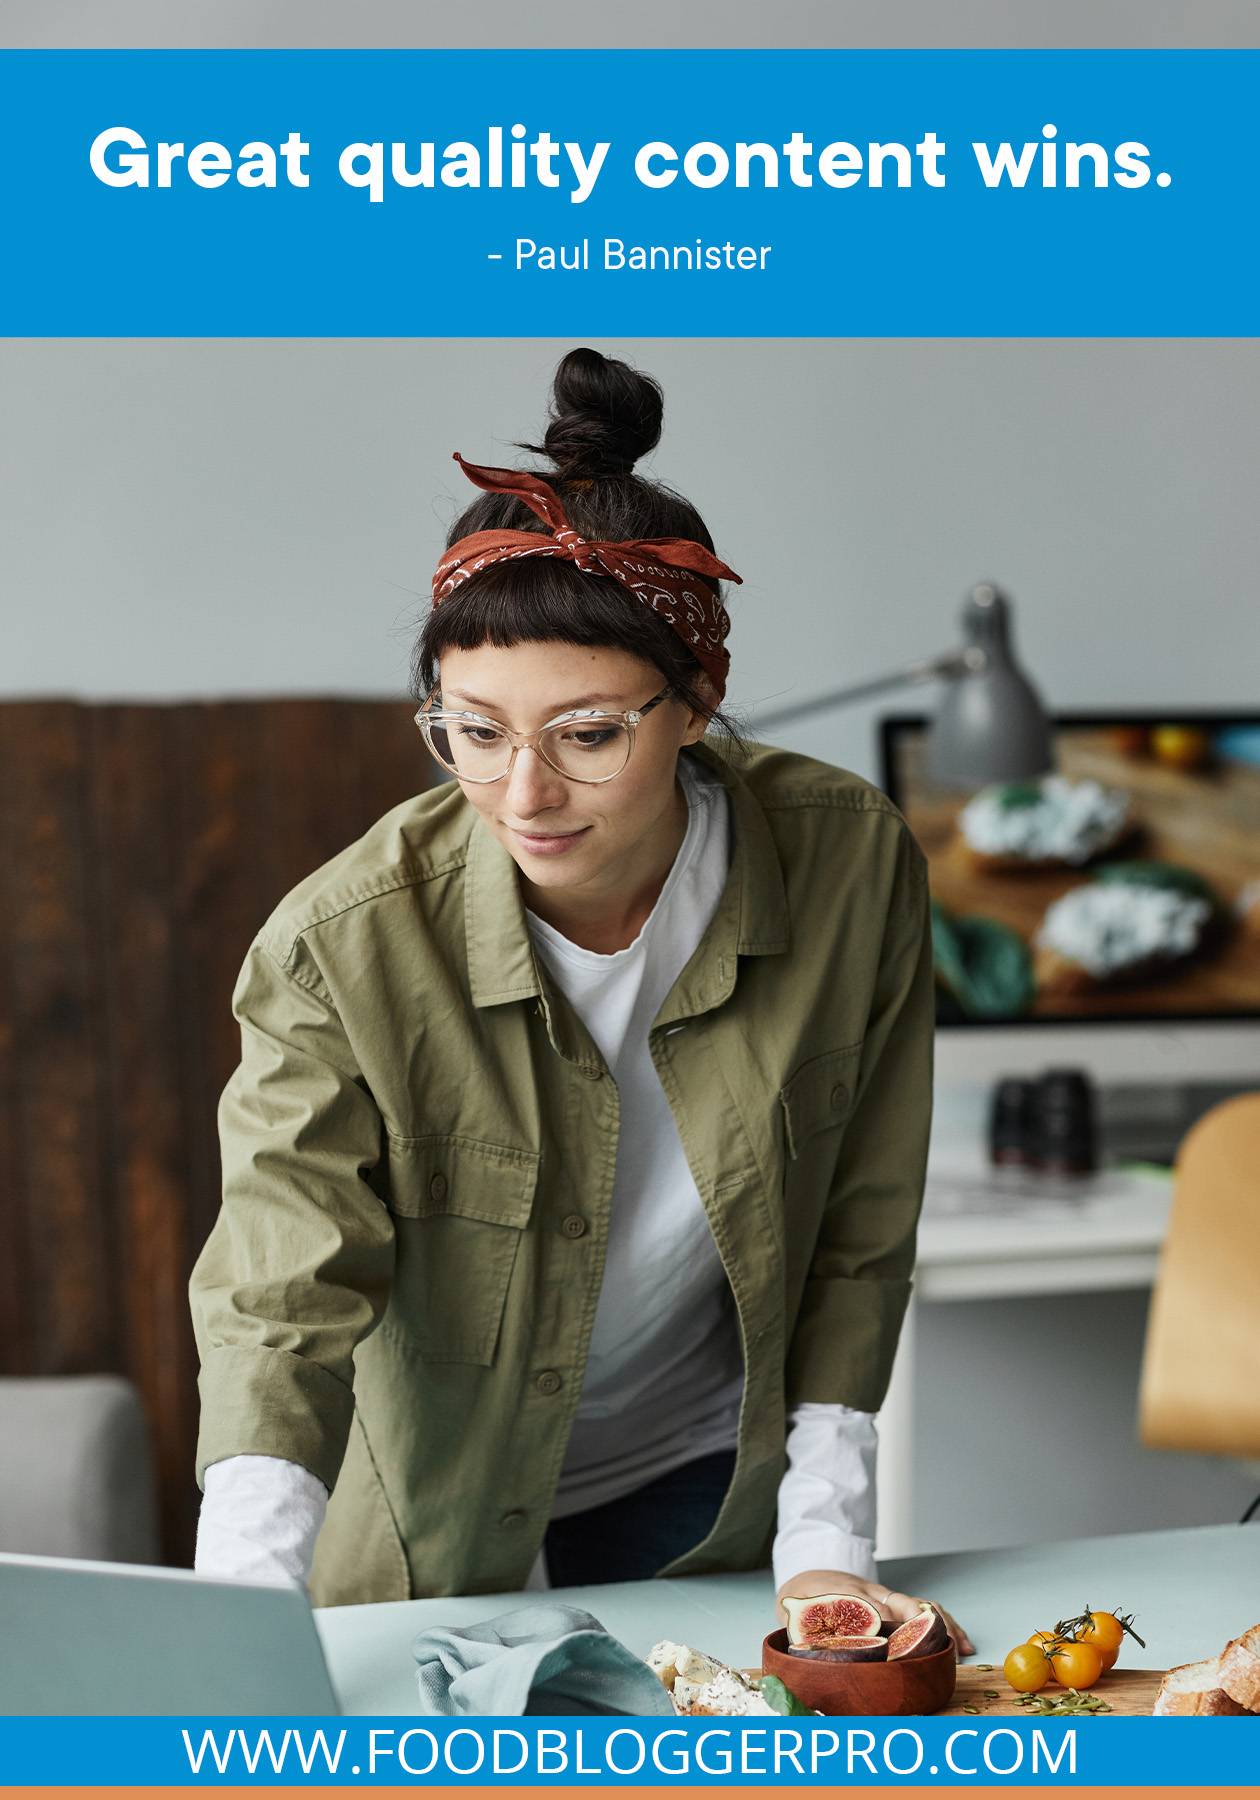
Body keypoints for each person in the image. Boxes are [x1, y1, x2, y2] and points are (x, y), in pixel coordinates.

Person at [190, 346, 970, 1652]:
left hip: (707, 1500)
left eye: (589, 733)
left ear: (698, 703)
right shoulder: (339, 948)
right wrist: (234, 1631)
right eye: (473, 730)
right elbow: (281, 1302)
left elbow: (860, 1231)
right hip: (441, 1529)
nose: (524, 795)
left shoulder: (848, 863)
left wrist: (822, 1551)